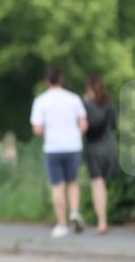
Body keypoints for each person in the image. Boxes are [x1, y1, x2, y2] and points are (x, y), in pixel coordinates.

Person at [30, 67, 88, 238]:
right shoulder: (73, 98)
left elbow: (37, 129)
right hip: (73, 146)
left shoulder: (41, 101)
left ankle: (62, 223)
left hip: (53, 147)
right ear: (61, 80)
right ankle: (74, 212)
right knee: (73, 182)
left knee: (57, 186)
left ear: (46, 81)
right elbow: (83, 125)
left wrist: (51, 132)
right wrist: (74, 135)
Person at [83, 73, 118, 234]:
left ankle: (102, 222)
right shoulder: (110, 104)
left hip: (95, 148)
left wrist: (85, 104)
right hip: (110, 146)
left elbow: (88, 127)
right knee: (103, 184)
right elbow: (114, 125)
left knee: (97, 184)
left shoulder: (87, 105)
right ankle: (104, 219)